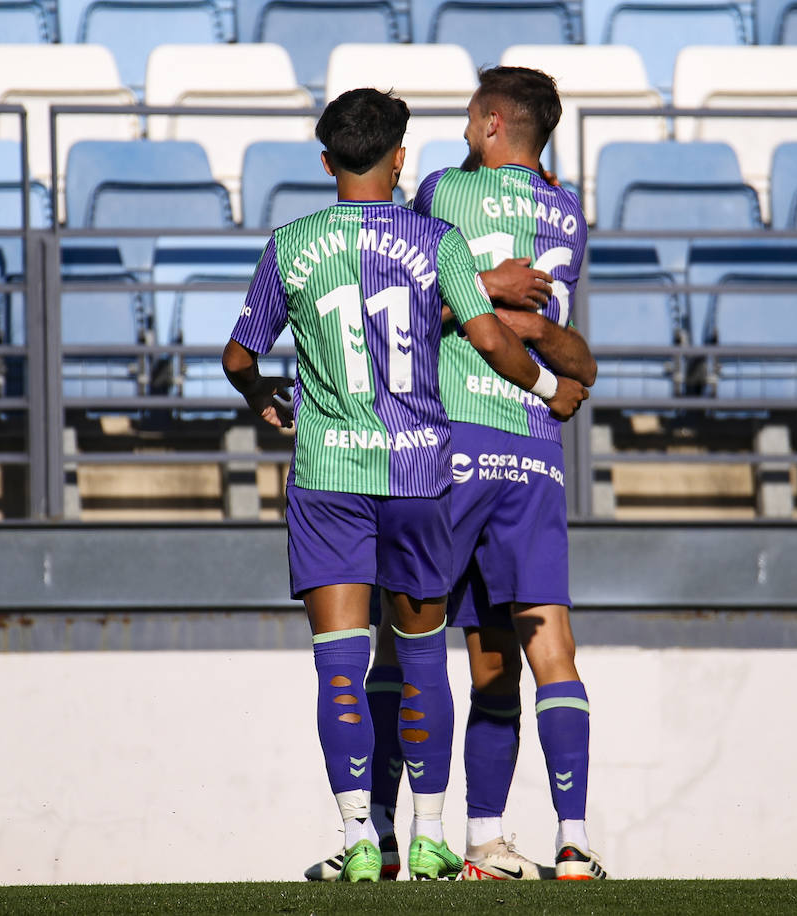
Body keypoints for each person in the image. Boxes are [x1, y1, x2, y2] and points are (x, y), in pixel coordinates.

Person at [224, 87, 587, 883]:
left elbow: (238, 356)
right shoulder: (437, 239)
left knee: (340, 663)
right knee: (423, 653)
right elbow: (491, 341)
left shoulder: (289, 244)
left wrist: (265, 401)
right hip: (422, 474)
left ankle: (360, 839)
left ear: (326, 162)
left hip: (327, 478)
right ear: (399, 159)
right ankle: (430, 834)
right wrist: (547, 390)